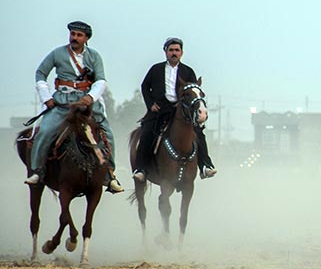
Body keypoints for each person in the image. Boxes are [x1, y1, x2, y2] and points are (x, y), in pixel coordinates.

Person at [25, 21, 124, 193]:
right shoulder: (57, 53)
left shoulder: (94, 56)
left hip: (87, 103)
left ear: (86, 38)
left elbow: (101, 80)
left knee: (107, 133)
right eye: (73, 34)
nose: (75, 38)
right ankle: (38, 171)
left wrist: (90, 97)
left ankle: (109, 175)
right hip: (63, 102)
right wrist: (46, 97)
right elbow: (40, 73)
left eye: (79, 35)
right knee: (46, 131)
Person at [132, 37, 216, 182]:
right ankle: (141, 169)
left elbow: (193, 91)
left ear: (181, 53)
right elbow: (145, 86)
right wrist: (150, 104)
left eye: (177, 50)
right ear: (166, 52)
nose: (174, 53)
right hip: (159, 110)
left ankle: (205, 166)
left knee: (198, 133)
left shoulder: (188, 71)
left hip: (181, 110)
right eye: (171, 50)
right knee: (147, 132)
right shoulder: (156, 69)